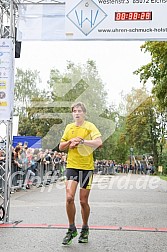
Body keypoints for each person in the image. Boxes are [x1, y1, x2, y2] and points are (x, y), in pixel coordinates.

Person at [59, 102, 102, 245]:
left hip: (86, 167)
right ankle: (71, 229)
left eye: (79, 111)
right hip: (72, 166)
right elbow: (61, 146)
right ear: (72, 114)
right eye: (74, 111)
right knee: (69, 197)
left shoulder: (90, 126)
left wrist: (83, 141)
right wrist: (70, 141)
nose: (77, 113)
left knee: (83, 201)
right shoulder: (69, 128)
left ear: (84, 113)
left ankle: (85, 228)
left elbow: (99, 142)